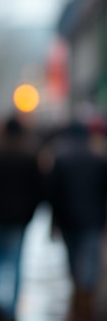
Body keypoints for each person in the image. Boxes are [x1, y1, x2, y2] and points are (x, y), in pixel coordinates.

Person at [0, 116, 44, 321]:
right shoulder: (30, 154)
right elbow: (39, 188)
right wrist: (30, 212)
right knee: (16, 260)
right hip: (19, 218)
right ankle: (12, 305)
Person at [44, 119, 107, 321]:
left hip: (68, 218)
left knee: (72, 254)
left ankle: (79, 286)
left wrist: (54, 221)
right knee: (89, 254)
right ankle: (85, 289)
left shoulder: (61, 158)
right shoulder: (97, 158)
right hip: (92, 217)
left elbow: (52, 193)